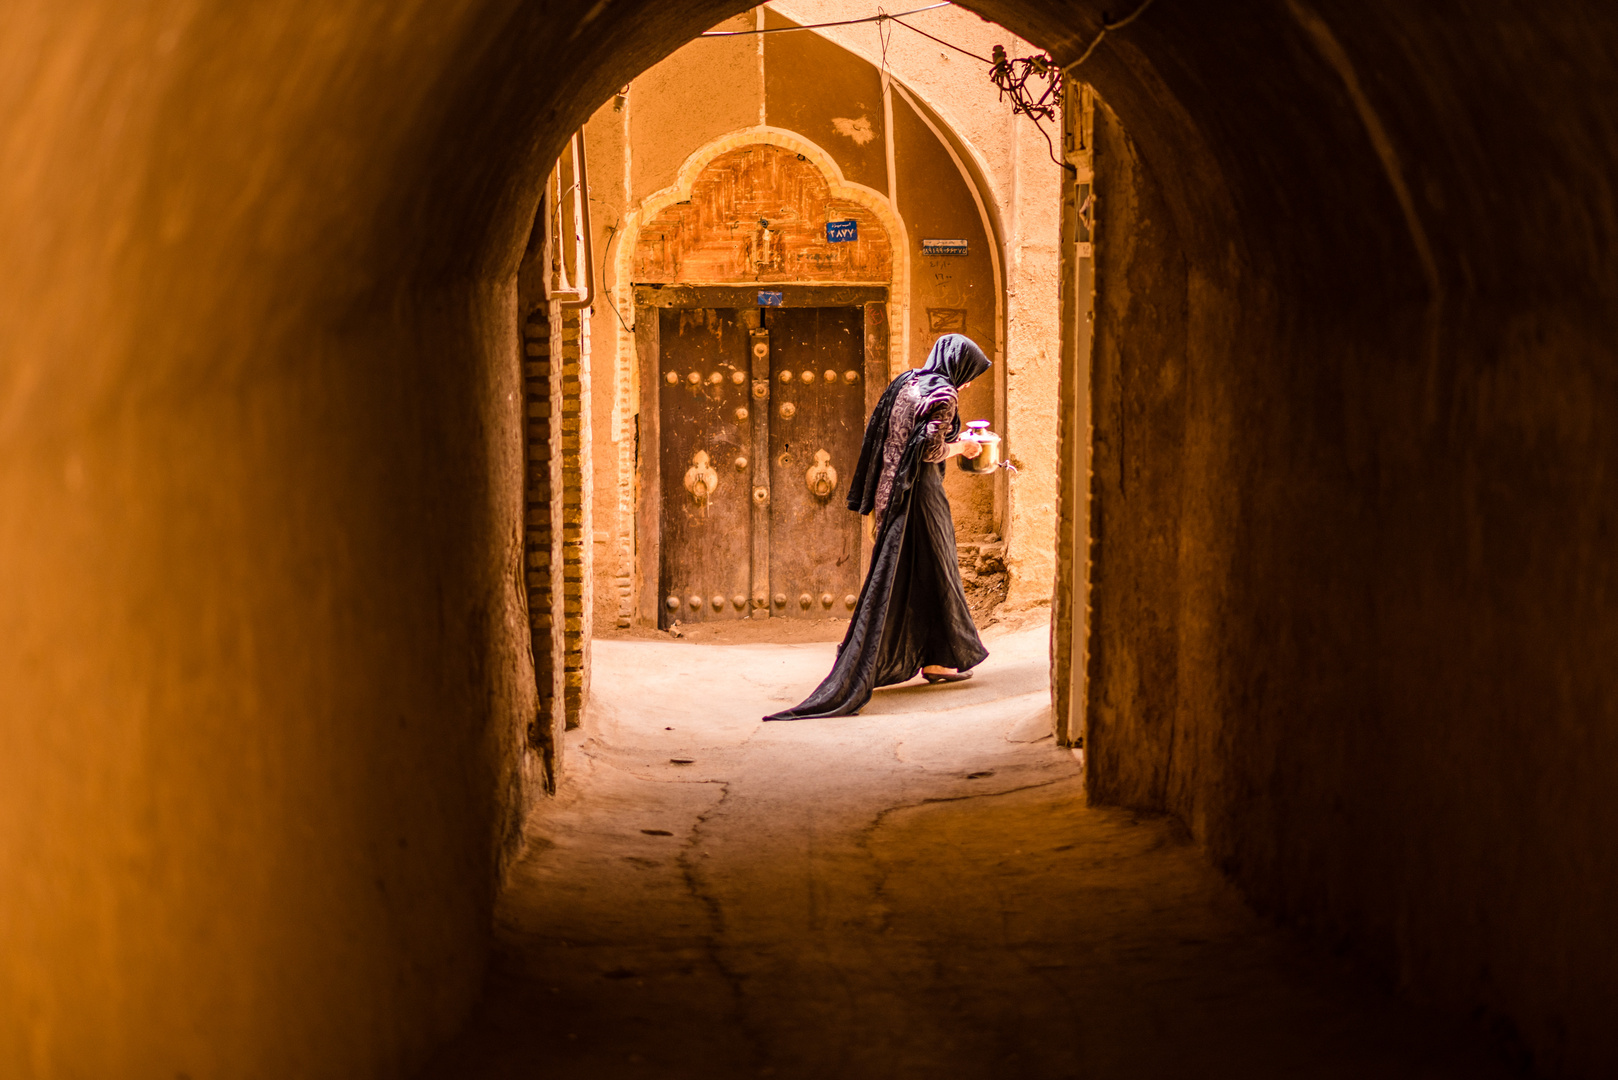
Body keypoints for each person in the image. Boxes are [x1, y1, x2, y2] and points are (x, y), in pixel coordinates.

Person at [764, 333, 992, 722]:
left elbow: (896, 437)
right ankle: (926, 658)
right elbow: (931, 449)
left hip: (892, 491)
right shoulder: (944, 396)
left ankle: (939, 659)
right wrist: (965, 448)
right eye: (969, 373)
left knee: (922, 574)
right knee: (935, 569)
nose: (968, 382)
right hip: (920, 496)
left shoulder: (908, 383)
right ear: (958, 366)